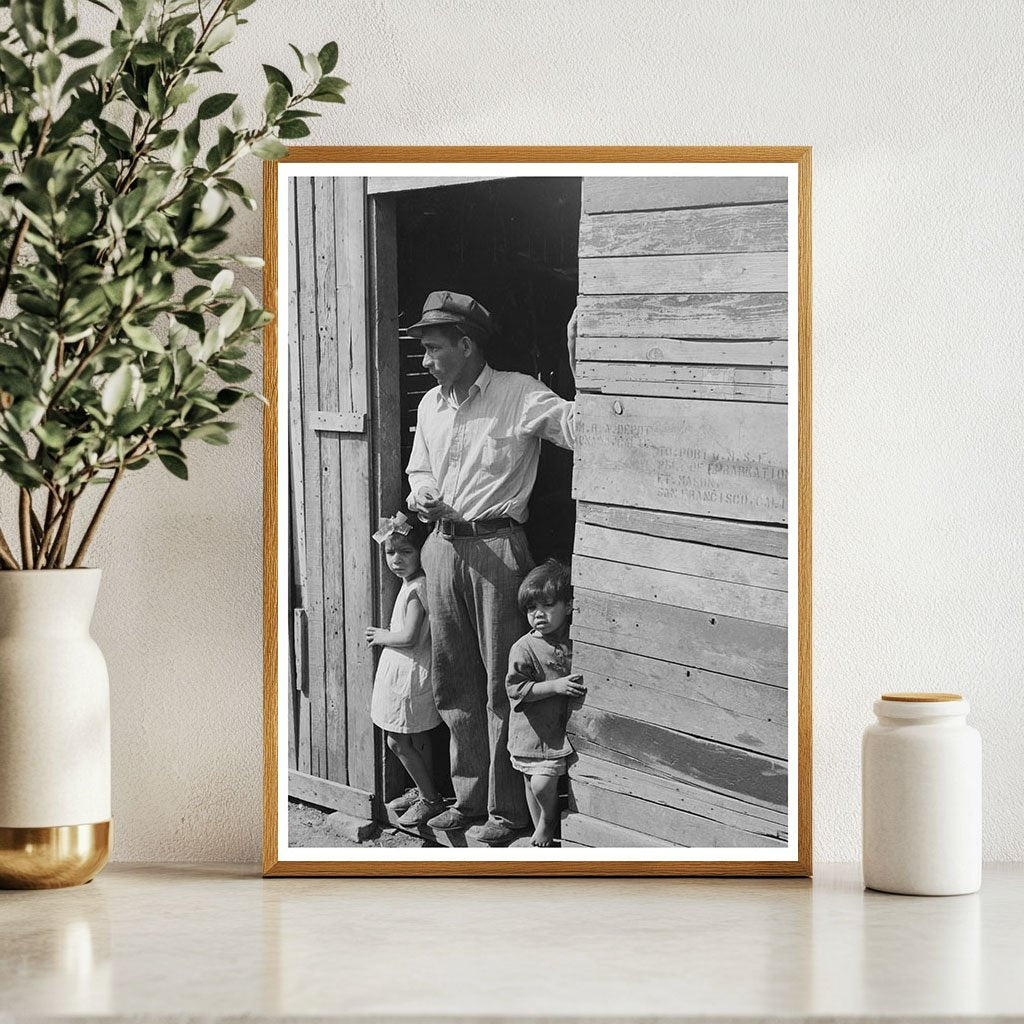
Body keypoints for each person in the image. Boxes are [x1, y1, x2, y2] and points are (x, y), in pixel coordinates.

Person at [406, 290, 578, 845]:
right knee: (454, 681)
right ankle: (468, 799)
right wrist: (424, 495)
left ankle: (508, 811)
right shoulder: (430, 405)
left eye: (434, 349)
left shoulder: (519, 394)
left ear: (466, 344)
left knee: (507, 685)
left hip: (498, 550)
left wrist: (589, 361)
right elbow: (418, 471)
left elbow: (577, 428)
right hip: (442, 547)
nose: (426, 361)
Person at [365, 511, 445, 827]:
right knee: (417, 737)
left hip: (408, 673)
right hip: (408, 670)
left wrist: (381, 636)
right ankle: (423, 790)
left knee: (397, 741)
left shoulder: (416, 588)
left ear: (420, 553)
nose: (396, 559)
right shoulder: (412, 582)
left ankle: (431, 800)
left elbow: (410, 636)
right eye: (390, 552)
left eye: (406, 551)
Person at [505, 560, 586, 847]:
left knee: (541, 783)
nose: (538, 614)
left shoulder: (576, 640)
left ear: (568, 607)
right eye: (530, 608)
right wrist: (554, 686)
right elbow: (515, 690)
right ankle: (544, 823)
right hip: (533, 730)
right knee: (532, 781)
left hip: (556, 731)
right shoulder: (524, 647)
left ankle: (546, 823)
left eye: (547, 605)